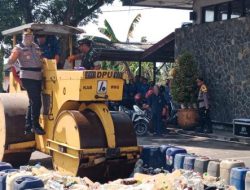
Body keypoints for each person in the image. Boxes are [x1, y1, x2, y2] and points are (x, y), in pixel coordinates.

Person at [7, 28, 45, 135]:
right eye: (27, 36)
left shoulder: (36, 46)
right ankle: (35, 126)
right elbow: (10, 62)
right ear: (23, 37)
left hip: (38, 76)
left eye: (31, 36)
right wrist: (13, 56)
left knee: (32, 102)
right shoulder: (18, 48)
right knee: (37, 101)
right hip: (27, 77)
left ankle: (28, 127)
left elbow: (40, 59)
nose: (29, 38)